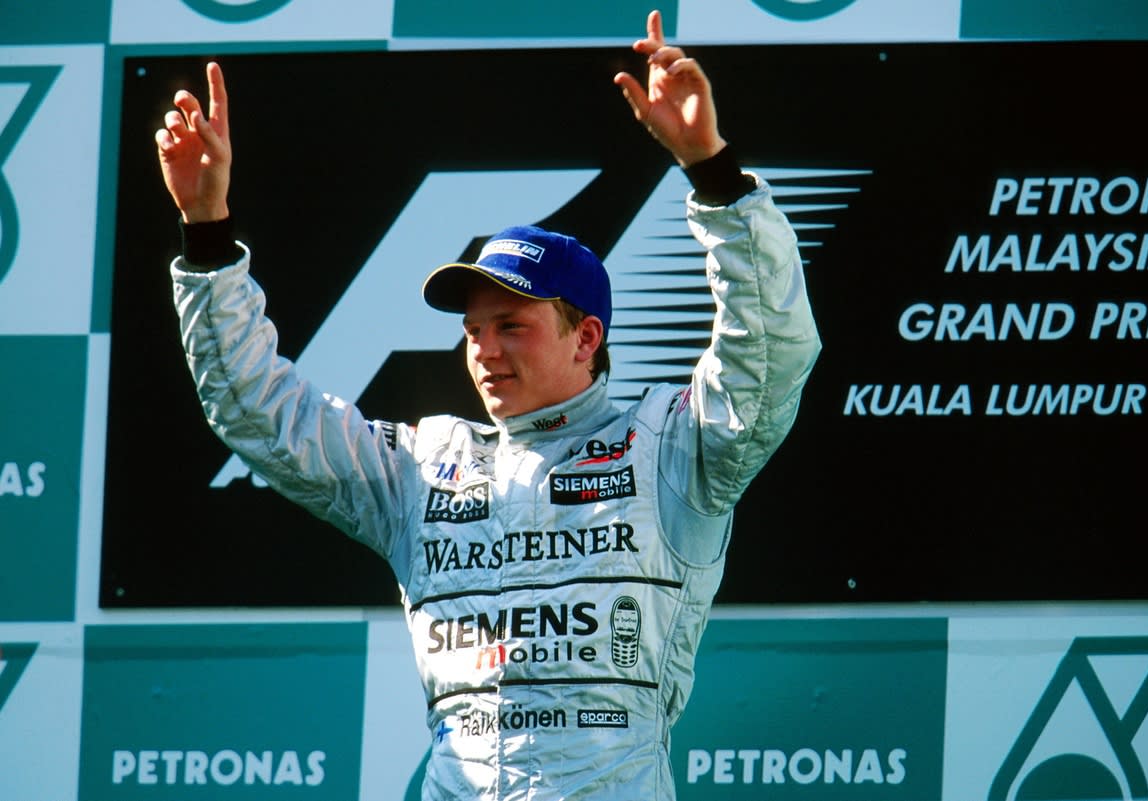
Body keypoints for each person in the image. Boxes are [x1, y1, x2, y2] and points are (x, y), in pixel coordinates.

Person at [156, 10, 820, 801]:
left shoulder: (673, 450)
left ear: (586, 338)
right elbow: (260, 414)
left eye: (512, 325)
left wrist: (713, 172)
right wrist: (205, 229)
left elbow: (772, 354)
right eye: (473, 329)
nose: (485, 349)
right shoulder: (423, 468)